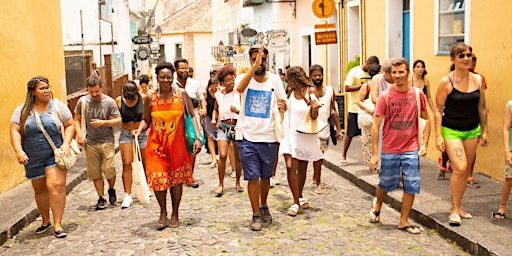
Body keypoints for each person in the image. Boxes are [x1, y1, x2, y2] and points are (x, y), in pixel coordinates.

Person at [133, 62, 202, 229]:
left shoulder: (181, 94)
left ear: (173, 78)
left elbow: (192, 115)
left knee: (176, 181)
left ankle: (175, 213)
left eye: (168, 77)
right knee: (158, 179)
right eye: (162, 77)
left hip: (177, 145)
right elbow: (146, 119)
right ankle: (163, 211)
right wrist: (139, 130)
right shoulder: (150, 97)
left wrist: (198, 137)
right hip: (156, 145)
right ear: (156, 78)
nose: (165, 80)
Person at [369, 58, 431, 234]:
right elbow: (376, 125)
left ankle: (403, 221)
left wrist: (425, 144)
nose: (397, 76)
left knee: (411, 185)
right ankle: (378, 203)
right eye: (394, 72)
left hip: (411, 147)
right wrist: (375, 154)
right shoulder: (385, 96)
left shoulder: (418, 95)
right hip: (389, 148)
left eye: (401, 72)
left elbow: (427, 120)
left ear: (408, 73)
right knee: (385, 183)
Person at [10, 76, 75, 238]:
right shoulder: (23, 110)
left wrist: (66, 143)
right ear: (33, 92)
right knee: (40, 188)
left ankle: (58, 224)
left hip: (55, 153)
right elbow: (14, 130)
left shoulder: (57, 106)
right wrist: (18, 150)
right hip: (32, 155)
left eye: (47, 87)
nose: (46, 91)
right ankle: (45, 220)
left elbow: (70, 124)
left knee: (56, 186)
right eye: (42, 88)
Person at [435, 42, 488, 226]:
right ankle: (453, 211)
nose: (467, 59)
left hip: (472, 130)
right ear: (453, 59)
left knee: (466, 170)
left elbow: (482, 107)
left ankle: (458, 206)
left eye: (469, 55)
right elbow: (438, 110)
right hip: (452, 130)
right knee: (459, 168)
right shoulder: (446, 82)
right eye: (462, 56)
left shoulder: (478, 80)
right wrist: (438, 136)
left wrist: (485, 130)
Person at [235, 44, 287, 231]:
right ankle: (255, 213)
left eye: (263, 59)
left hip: (269, 137)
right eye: (256, 59)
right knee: (252, 176)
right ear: (250, 60)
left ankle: (264, 205)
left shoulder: (274, 80)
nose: (260, 63)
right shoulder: (244, 78)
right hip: (247, 136)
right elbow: (240, 89)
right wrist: (253, 67)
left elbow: (283, 104)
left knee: (265, 177)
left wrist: (283, 107)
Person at [279, 66, 323, 216]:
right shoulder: (289, 91)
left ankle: (299, 195)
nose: (286, 81)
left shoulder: (310, 91)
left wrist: (314, 107)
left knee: (302, 168)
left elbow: (315, 114)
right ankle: (296, 201)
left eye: (288, 79)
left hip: (305, 133)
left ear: (294, 79)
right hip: (290, 134)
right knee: (291, 166)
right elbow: (284, 109)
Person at [75, 75, 122, 210]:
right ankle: (101, 197)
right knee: (95, 172)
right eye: (91, 92)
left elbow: (118, 120)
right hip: (90, 141)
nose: (94, 95)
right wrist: (79, 134)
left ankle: (111, 188)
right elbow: (76, 119)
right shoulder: (82, 102)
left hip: (107, 140)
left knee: (109, 169)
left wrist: (104, 122)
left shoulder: (109, 102)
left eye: (97, 91)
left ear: (101, 88)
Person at [309, 64, 343, 193]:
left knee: (320, 155)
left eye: (319, 75)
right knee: (317, 156)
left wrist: (339, 130)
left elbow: (334, 111)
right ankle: (318, 182)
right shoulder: (308, 91)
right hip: (312, 129)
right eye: (315, 75)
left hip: (325, 129)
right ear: (311, 76)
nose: (317, 77)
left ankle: (315, 174)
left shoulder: (330, 90)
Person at [341, 55, 380, 166]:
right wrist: (361, 86)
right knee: (350, 133)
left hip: (371, 109)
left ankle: (372, 159)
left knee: (370, 134)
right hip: (355, 107)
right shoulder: (354, 72)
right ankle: (343, 154)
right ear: (367, 63)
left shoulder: (373, 73)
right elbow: (347, 88)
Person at [212, 65, 244, 196]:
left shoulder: (239, 92)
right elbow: (215, 109)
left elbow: (245, 110)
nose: (231, 82)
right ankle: (221, 183)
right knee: (223, 155)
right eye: (228, 80)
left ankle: (238, 182)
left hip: (237, 125)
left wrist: (237, 111)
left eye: (232, 79)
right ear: (222, 83)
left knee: (237, 157)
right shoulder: (219, 95)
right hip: (223, 126)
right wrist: (214, 118)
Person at [174, 58, 206, 188]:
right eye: (181, 68)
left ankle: (189, 176)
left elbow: (201, 98)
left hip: (192, 117)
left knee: (193, 144)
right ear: (176, 70)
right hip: (177, 119)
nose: (184, 70)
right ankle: (180, 174)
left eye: (186, 68)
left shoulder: (194, 83)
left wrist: (203, 109)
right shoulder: (172, 84)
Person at [115, 81, 147, 208]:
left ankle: (145, 187)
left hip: (142, 133)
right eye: (127, 97)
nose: (129, 99)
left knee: (145, 162)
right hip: (126, 133)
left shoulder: (143, 99)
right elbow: (115, 117)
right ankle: (127, 194)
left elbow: (148, 117)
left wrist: (140, 130)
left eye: (132, 97)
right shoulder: (118, 101)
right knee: (126, 164)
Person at [356, 63, 381, 167]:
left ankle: (379, 164)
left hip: (380, 118)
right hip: (369, 118)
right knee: (368, 142)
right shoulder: (367, 86)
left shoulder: (384, 86)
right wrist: (369, 110)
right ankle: (372, 166)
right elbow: (358, 101)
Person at [491, 100, 512, 220]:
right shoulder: (510, 105)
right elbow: (506, 128)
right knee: (509, 179)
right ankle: (502, 206)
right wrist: (507, 151)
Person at [204, 77, 219, 168]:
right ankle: (213, 158)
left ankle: (222, 158)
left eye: (215, 88)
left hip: (220, 117)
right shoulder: (206, 95)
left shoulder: (221, 94)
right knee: (210, 137)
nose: (213, 90)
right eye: (211, 89)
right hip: (209, 117)